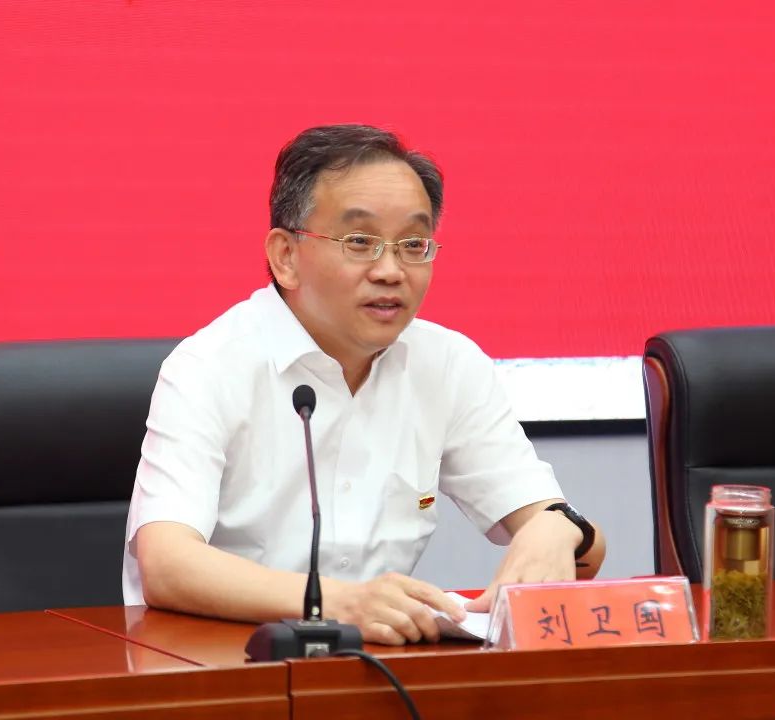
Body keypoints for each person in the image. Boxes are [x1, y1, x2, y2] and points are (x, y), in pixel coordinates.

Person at [122, 124, 605, 645]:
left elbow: (586, 548)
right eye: (360, 242)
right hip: (215, 664)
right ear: (285, 257)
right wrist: (339, 603)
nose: (391, 271)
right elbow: (166, 564)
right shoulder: (210, 367)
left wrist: (557, 528)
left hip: (376, 665)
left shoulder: (447, 365)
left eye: (413, 244)